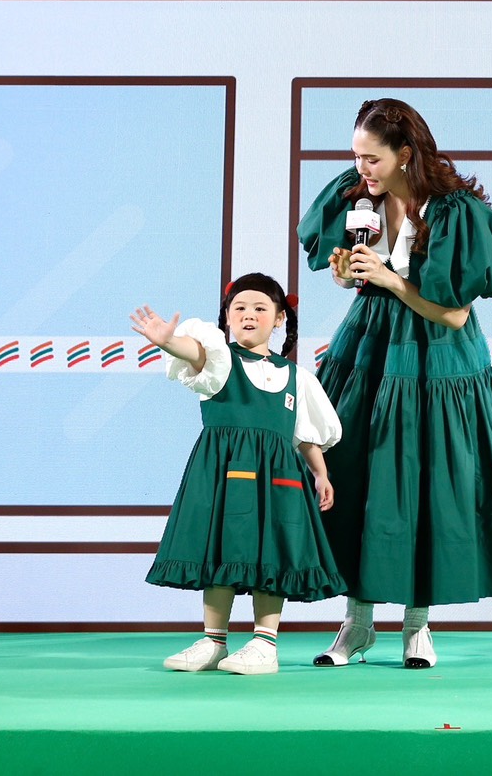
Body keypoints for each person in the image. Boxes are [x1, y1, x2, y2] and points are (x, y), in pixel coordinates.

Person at [298, 97, 492, 669]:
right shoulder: (357, 196)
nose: (361, 168)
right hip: (369, 346)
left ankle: (417, 626)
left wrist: (389, 279)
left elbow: (454, 315)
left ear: (405, 153)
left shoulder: (454, 212)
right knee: (356, 474)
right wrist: (347, 272)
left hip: (436, 357)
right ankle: (356, 624)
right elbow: (353, 275)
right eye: (356, 156)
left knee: (424, 481)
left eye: (371, 158)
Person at [130, 272, 345, 675]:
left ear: (279, 318)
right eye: (240, 307)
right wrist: (167, 341)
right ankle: (214, 641)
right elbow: (191, 351)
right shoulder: (218, 359)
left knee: (271, 552)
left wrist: (320, 474)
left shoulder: (297, 377)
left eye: (260, 308)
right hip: (223, 470)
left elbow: (306, 434)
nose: (249, 314)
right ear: (227, 317)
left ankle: (265, 644)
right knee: (223, 549)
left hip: (278, 477)